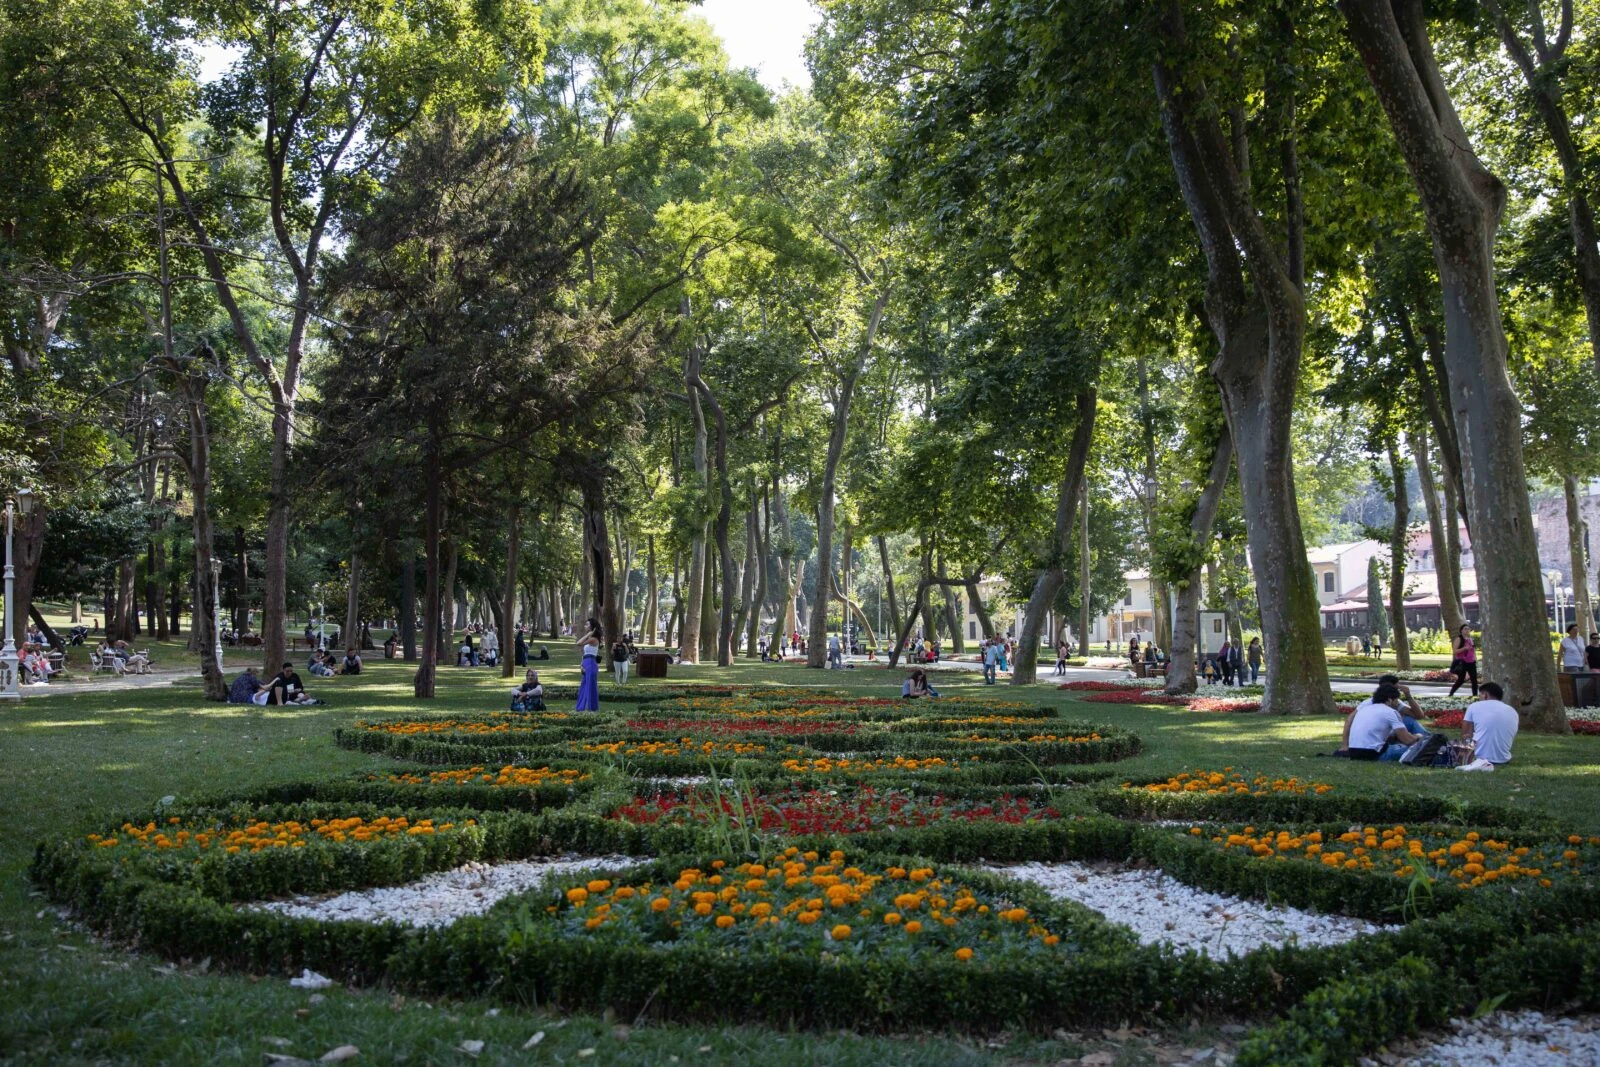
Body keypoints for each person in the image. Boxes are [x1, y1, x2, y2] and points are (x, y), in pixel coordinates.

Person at [1342, 682, 1424, 761]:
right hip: (1374, 754)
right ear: (1389, 700)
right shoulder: (1390, 712)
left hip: (1353, 753)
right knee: (1417, 748)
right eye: (1396, 700)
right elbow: (1408, 740)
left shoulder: (1364, 709)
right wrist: (1418, 736)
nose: (1398, 704)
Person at [1458, 681, 1519, 772]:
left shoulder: (1474, 706)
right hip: (1504, 759)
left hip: (1479, 758)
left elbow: (1466, 734)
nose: (1479, 698)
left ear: (1485, 695)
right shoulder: (1512, 711)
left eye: (1480, 695)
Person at [576, 618, 602, 712]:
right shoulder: (590, 638)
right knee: (584, 685)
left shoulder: (594, 639)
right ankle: (581, 708)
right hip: (586, 663)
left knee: (590, 686)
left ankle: (592, 708)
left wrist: (588, 634)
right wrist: (581, 665)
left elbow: (579, 643)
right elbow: (585, 654)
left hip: (591, 663)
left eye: (587, 624)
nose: (585, 626)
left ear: (592, 627)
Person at [1448, 624, 1479, 697]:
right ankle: (1451, 693)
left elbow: (1472, 650)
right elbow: (1455, 651)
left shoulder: (1470, 639)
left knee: (1474, 680)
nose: (1467, 630)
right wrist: (1464, 648)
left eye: (1468, 629)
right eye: (1465, 629)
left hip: (1471, 662)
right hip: (1462, 662)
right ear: (1461, 630)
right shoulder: (1459, 639)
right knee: (1461, 680)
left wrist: (1475, 658)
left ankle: (1475, 696)